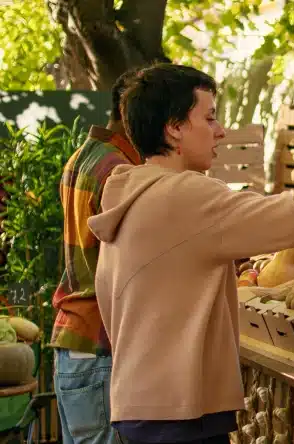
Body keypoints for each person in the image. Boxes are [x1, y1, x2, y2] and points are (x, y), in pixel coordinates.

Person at [87, 63, 294, 444]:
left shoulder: (130, 193)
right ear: (175, 127)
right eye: (210, 117)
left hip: (142, 402)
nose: (221, 131)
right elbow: (292, 216)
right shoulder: (183, 196)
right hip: (178, 413)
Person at [50, 68, 143, 444]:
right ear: (127, 111)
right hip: (98, 342)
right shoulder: (117, 169)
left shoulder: (83, 156)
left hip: (74, 342)